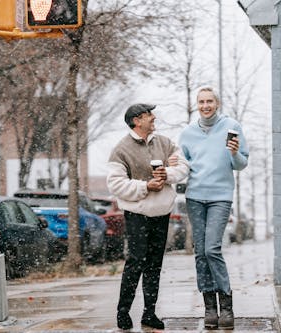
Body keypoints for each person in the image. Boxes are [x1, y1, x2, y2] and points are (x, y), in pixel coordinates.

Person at [106, 103, 189, 330]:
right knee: (135, 263)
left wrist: (167, 173)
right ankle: (123, 313)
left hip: (161, 214)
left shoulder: (164, 142)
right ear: (137, 120)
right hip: (137, 215)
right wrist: (146, 186)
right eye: (148, 115)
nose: (153, 118)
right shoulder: (121, 149)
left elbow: (183, 166)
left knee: (154, 265)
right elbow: (116, 185)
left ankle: (149, 314)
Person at [178, 86, 249, 329]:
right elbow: (182, 166)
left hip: (220, 196)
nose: (206, 105)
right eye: (201, 102)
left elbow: (241, 164)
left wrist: (235, 152)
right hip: (195, 196)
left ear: (217, 103)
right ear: (197, 105)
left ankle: (226, 305)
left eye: (210, 101)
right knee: (200, 253)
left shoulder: (231, 127)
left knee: (212, 249)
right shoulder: (187, 133)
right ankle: (209, 307)